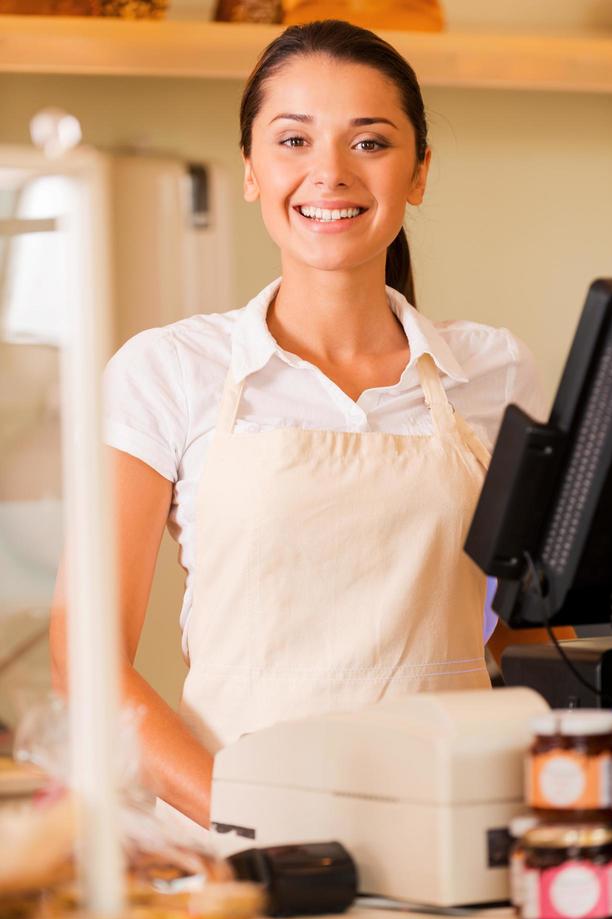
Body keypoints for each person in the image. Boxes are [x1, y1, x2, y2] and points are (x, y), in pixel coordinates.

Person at [50, 19, 550, 835]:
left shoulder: (494, 373)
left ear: (418, 172)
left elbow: (531, 629)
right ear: (250, 169)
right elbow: (86, 663)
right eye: (292, 139)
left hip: (451, 836)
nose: (329, 172)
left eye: (370, 143)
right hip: (239, 852)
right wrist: (252, 822)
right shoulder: (166, 371)